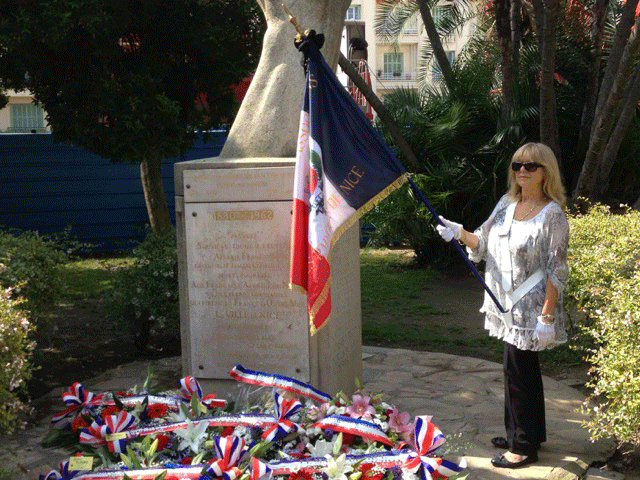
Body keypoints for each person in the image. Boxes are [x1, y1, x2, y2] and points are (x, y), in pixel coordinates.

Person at [436, 142, 569, 469]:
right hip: (504, 302)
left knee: (517, 373)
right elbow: (481, 242)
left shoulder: (552, 215)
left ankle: (521, 447)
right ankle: (528, 433)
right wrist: (457, 232)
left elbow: (557, 269)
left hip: (532, 308)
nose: (522, 170)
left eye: (531, 166)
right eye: (517, 165)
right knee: (522, 371)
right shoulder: (507, 204)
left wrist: (547, 315)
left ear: (545, 172)